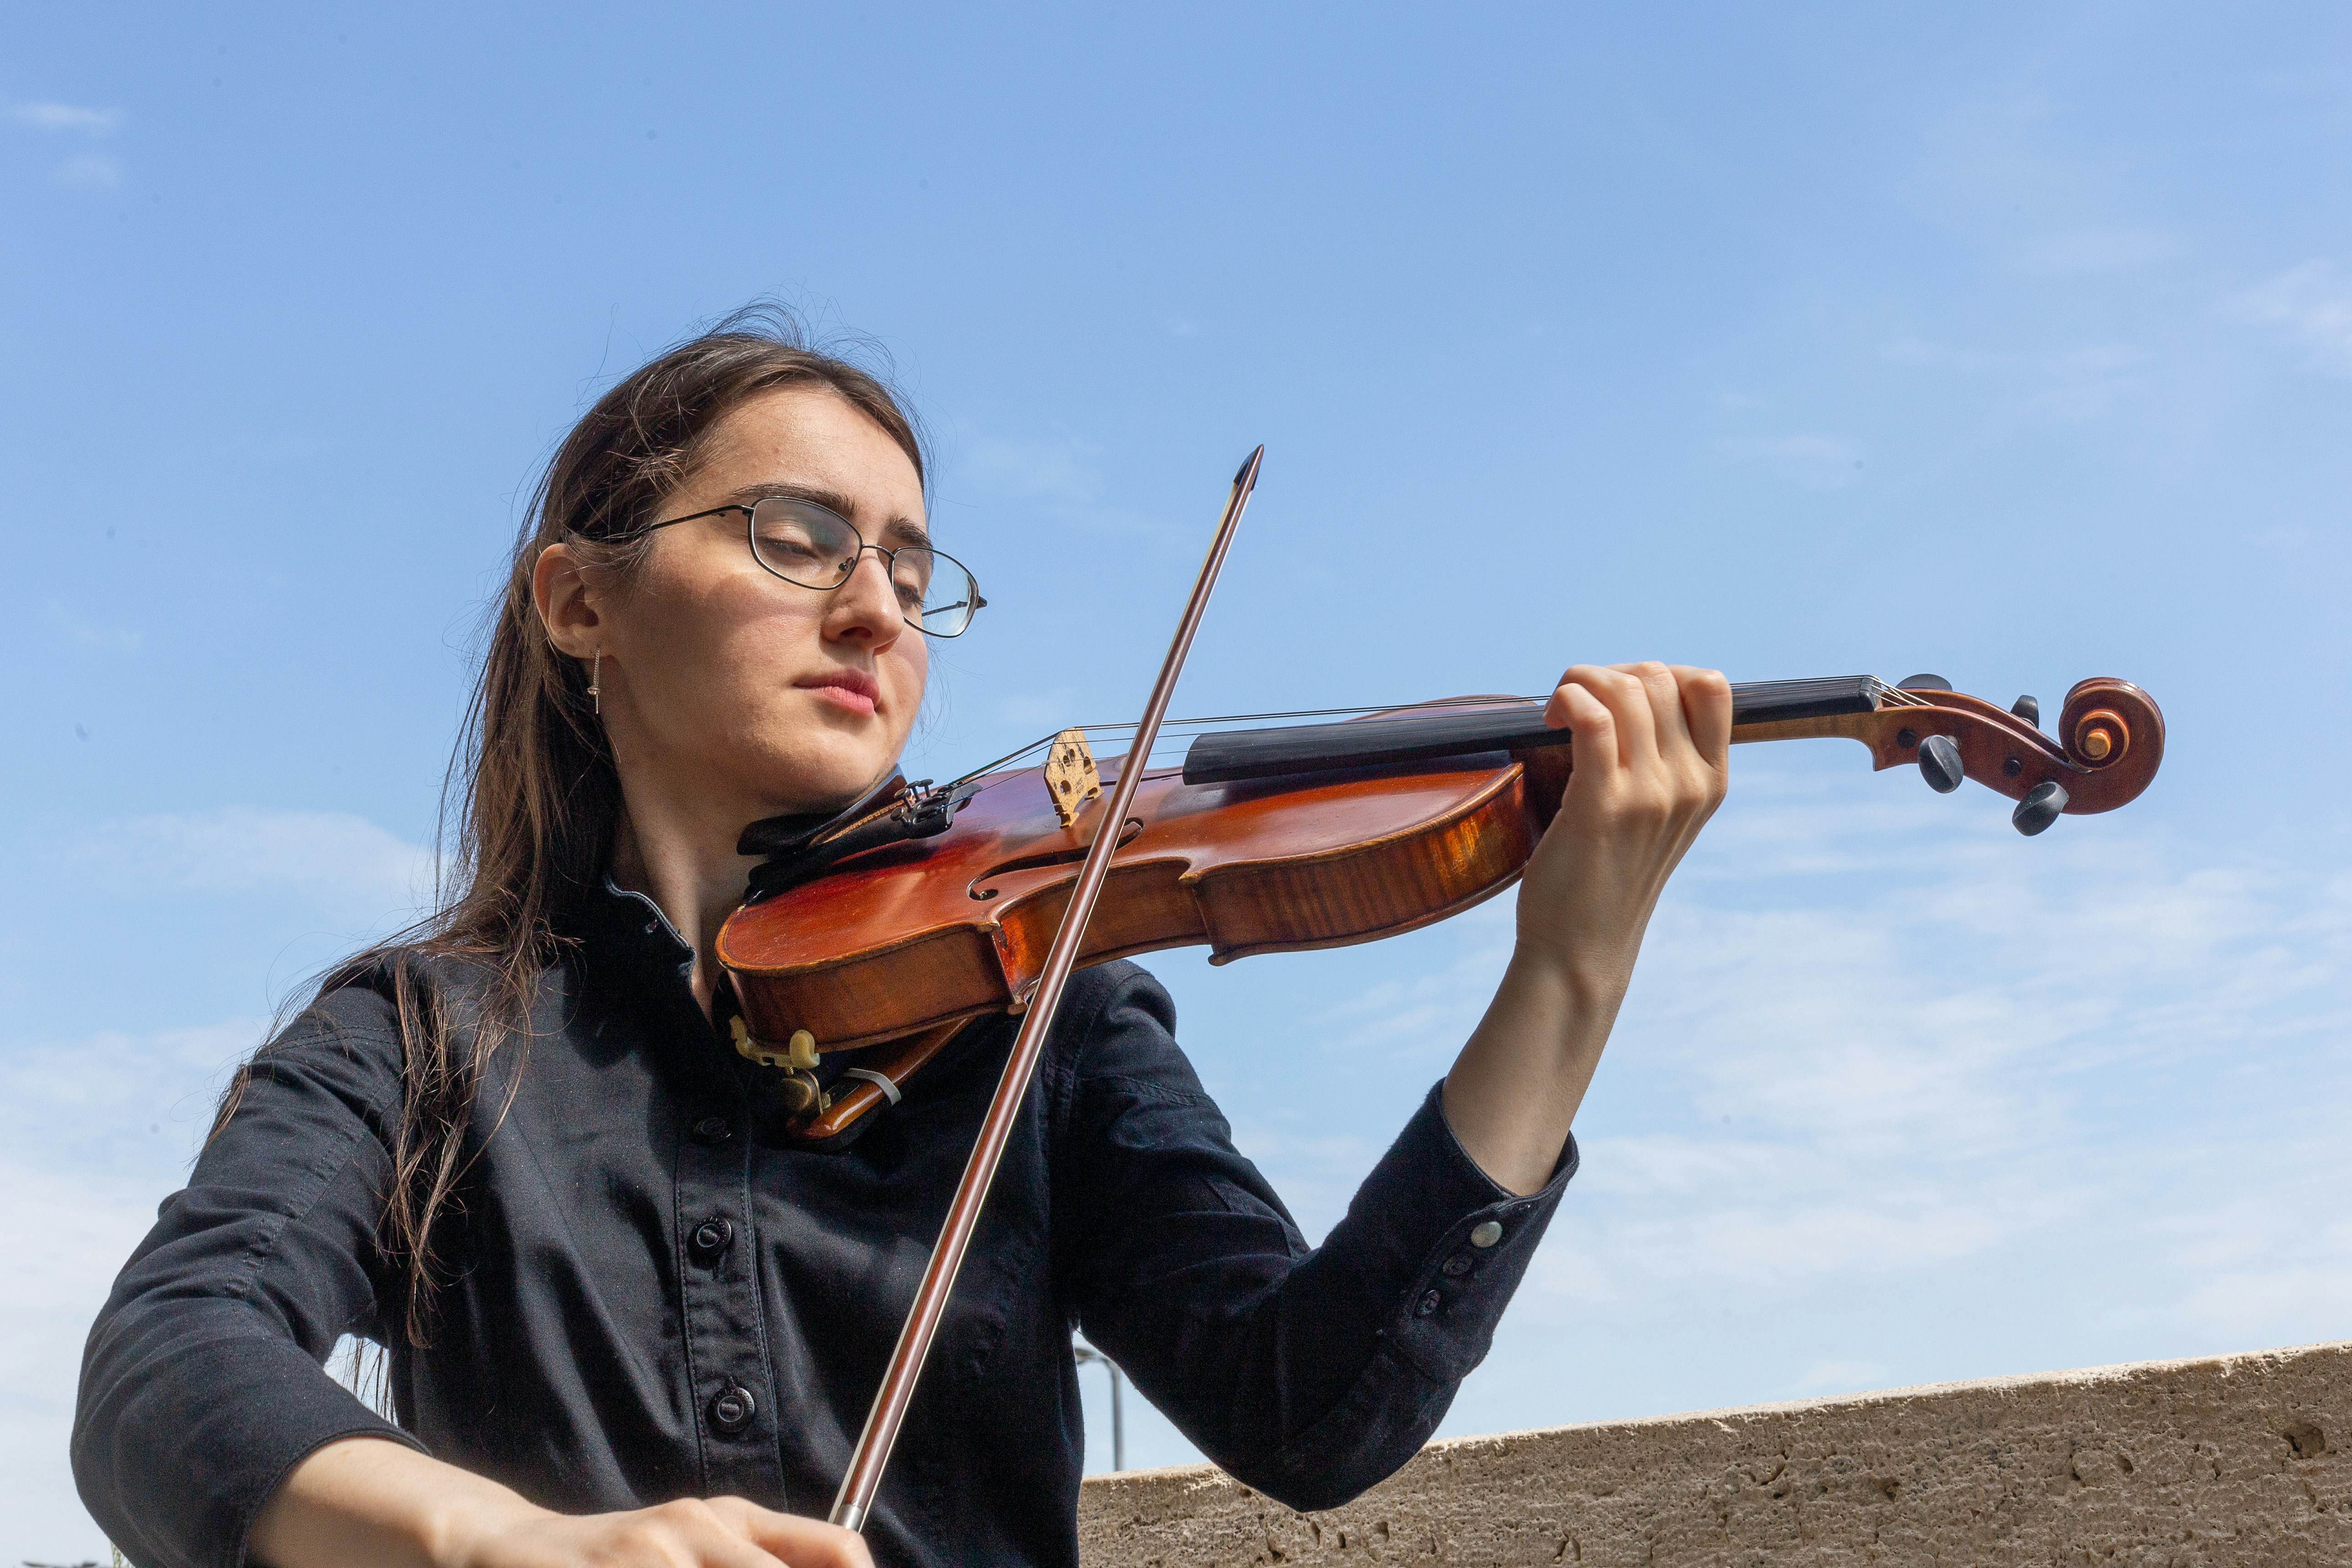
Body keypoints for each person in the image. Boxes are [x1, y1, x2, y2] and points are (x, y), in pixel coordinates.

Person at [72, 309, 1731, 1568]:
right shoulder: (419, 1036)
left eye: (912, 568)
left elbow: (1311, 1405)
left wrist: (1569, 970)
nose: (876, 605)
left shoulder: (1047, 1013)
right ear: (580, 601)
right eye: (796, 537)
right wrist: (515, 1543)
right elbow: (168, 1365)